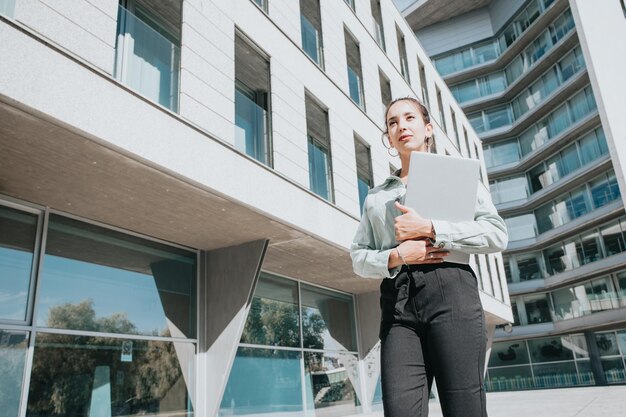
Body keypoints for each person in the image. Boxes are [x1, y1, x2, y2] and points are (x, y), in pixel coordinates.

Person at [350, 97, 508, 417]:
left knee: (464, 407)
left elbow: (496, 234)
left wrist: (432, 228)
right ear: (389, 137)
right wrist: (395, 255)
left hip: (452, 292)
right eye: (393, 122)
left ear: (428, 128)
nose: (401, 126)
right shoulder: (377, 196)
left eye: (409, 118)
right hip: (398, 303)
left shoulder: (456, 177)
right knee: (400, 410)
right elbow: (358, 256)